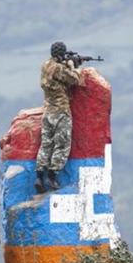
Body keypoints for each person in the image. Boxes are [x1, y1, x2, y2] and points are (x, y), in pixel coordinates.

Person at [34, 41, 84, 193]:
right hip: (60, 111)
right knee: (61, 145)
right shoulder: (59, 68)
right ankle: (52, 175)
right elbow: (76, 80)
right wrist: (73, 65)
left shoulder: (46, 65)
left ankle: (39, 176)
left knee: (46, 144)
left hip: (48, 112)